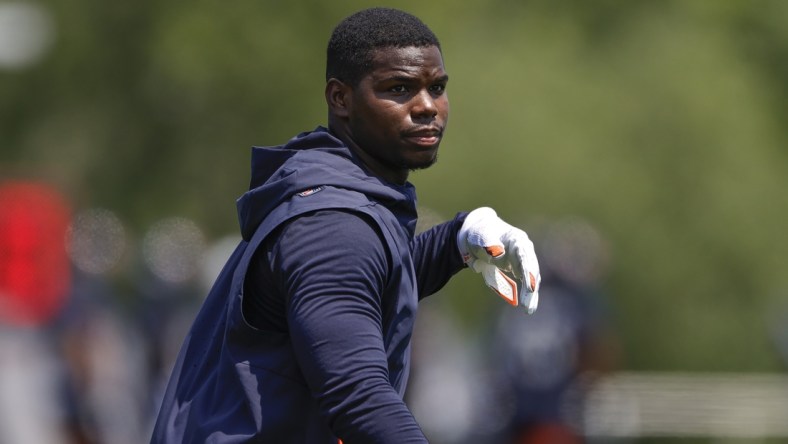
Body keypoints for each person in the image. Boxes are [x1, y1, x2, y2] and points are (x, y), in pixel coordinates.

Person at [150, 7, 541, 443]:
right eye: (399, 89)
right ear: (341, 99)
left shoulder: (334, 195)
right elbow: (358, 395)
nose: (427, 106)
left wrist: (458, 238)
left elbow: (363, 283)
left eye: (437, 87)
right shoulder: (333, 228)